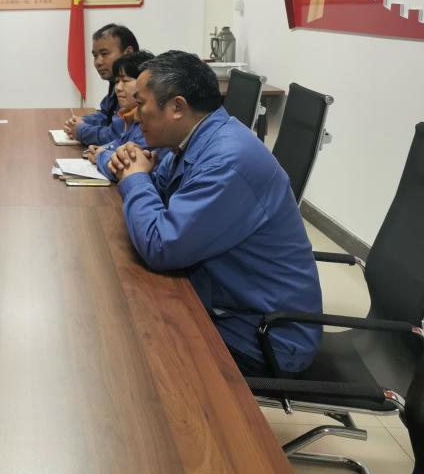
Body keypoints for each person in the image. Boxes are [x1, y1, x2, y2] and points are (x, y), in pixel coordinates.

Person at [108, 51, 322, 376]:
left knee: (129, 337)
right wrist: (123, 164)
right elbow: (156, 186)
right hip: (228, 303)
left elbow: (160, 244)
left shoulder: (226, 161)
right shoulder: (195, 139)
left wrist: (135, 178)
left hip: (263, 335)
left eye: (142, 104)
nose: (135, 116)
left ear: (177, 107)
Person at [81, 50, 157, 180]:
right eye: (117, 81)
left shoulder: (149, 121)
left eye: (125, 80)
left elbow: (128, 166)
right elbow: (120, 142)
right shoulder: (129, 114)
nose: (118, 88)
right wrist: (102, 149)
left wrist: (101, 155)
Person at [63, 23, 138, 145]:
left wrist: (81, 130)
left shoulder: (139, 85)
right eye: (95, 55)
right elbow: (106, 115)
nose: (98, 62)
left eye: (104, 54)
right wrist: (81, 121)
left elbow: (116, 135)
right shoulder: (115, 83)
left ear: (128, 52)